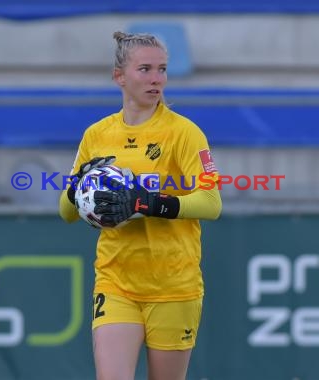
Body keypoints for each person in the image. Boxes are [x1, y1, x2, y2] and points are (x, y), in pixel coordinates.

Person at [59, 31, 222, 380]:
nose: (156, 79)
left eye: (162, 70)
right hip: (116, 281)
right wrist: (81, 185)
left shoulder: (184, 133)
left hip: (173, 285)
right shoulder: (97, 135)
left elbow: (210, 203)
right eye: (145, 69)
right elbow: (66, 211)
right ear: (119, 76)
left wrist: (147, 203)